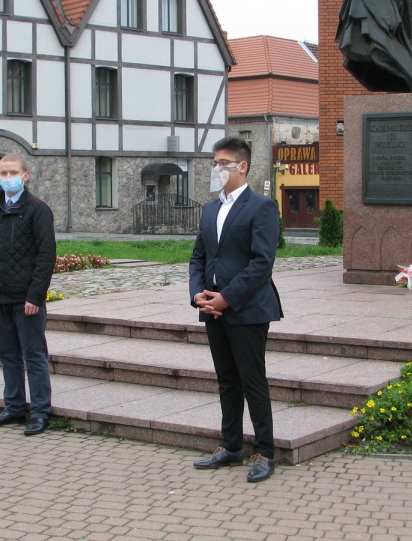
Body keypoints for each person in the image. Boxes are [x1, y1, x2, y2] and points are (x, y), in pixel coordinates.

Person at [189, 137, 284, 482]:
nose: (216, 169)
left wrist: (226, 298)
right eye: (214, 163)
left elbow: (262, 263)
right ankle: (231, 447)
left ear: (241, 166)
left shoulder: (261, 207)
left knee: (251, 380)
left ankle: (264, 452)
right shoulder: (210, 208)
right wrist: (198, 295)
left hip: (247, 308)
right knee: (227, 380)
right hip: (212, 307)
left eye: (222, 163)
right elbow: (199, 257)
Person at [0, 153, 56, 436]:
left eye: (12, 172)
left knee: (33, 355)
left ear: (25, 175)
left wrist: (35, 296)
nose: (7, 177)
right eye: (3, 173)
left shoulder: (38, 209)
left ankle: (41, 412)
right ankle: (13, 406)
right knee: (8, 355)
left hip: (26, 300)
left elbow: (46, 257)